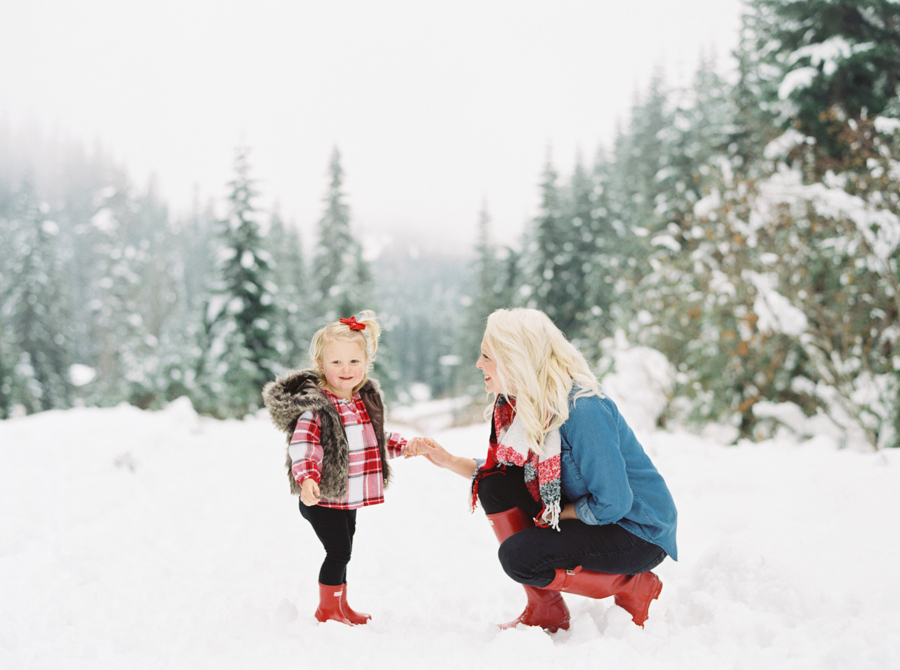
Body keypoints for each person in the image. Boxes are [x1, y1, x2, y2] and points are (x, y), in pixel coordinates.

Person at [409, 308, 677, 632]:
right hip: (598, 517)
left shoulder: (582, 409)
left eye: (486, 356)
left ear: (514, 357)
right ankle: (546, 608)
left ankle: (633, 585)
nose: (479, 364)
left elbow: (614, 503)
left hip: (637, 531)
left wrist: (562, 513)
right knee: (493, 483)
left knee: (520, 558)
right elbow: (505, 472)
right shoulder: (528, 405)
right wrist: (448, 460)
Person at [262, 311, 420, 626]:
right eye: (336, 362)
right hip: (321, 496)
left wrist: (404, 445)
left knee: (345, 548)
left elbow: (374, 440)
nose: (345, 370)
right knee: (338, 552)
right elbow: (303, 447)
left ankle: (341, 605)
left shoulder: (362, 401)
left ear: (366, 363)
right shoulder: (317, 409)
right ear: (321, 364)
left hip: (348, 496)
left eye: (353, 362)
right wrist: (306, 479)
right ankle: (327, 610)